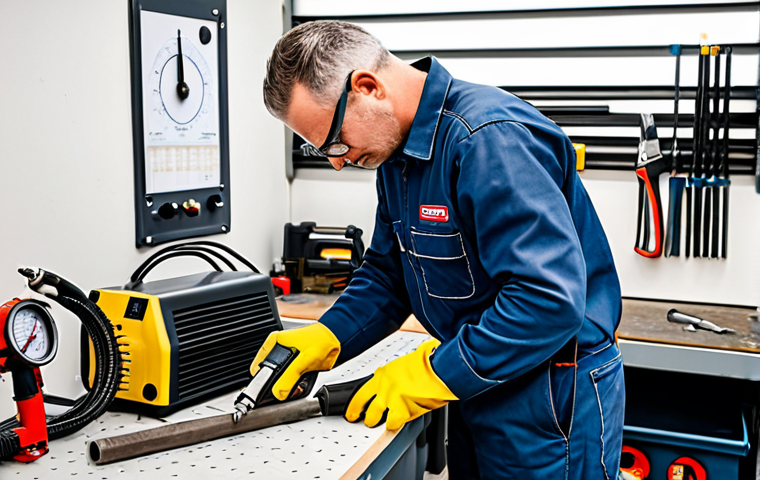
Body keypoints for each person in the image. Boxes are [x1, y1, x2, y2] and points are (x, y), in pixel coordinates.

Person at [252, 20, 625, 480]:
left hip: (548, 398)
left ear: (367, 87)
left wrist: (430, 374)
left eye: (333, 140)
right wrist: (328, 336)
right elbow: (390, 274)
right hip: (476, 381)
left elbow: (547, 300)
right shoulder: (396, 153)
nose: (336, 160)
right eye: (319, 151)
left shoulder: (488, 138)